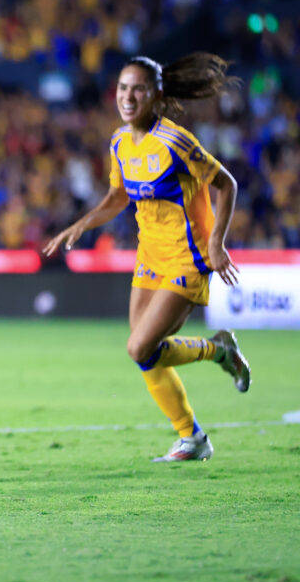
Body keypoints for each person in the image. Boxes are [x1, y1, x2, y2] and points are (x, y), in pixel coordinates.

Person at [44, 54, 251, 462]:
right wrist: (83, 224)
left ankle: (218, 355)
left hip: (188, 258)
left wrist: (217, 244)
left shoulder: (176, 141)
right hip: (150, 255)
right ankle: (192, 436)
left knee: (139, 347)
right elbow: (118, 195)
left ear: (156, 95)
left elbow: (226, 184)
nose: (128, 96)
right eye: (122, 87)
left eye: (138, 88)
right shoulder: (120, 141)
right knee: (146, 352)